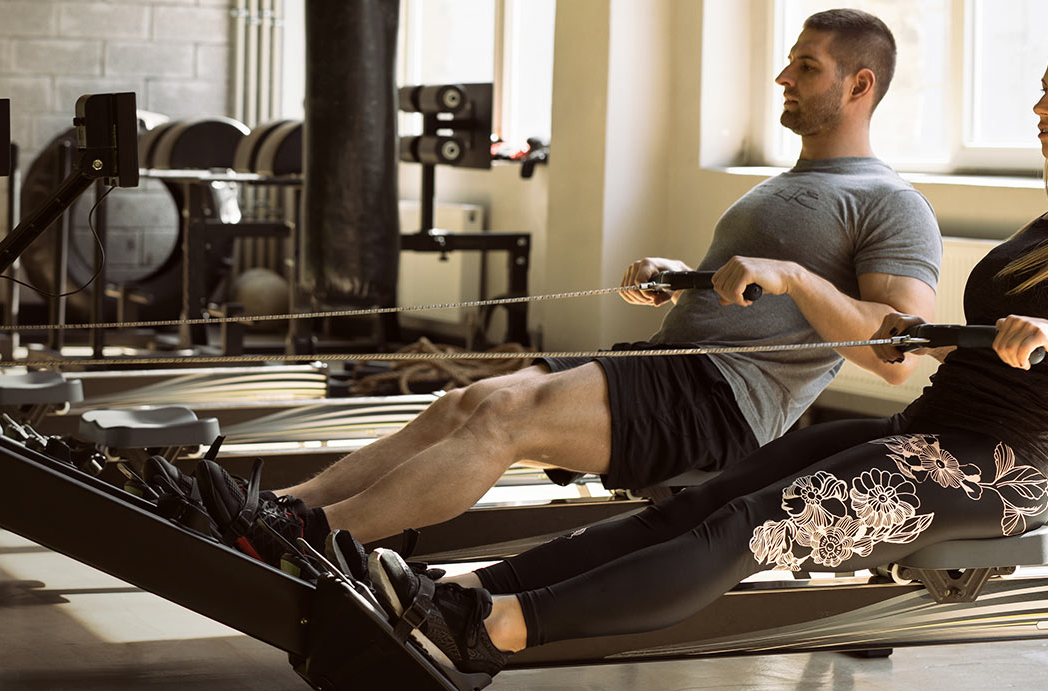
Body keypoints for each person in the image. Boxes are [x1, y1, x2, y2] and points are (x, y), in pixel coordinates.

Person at [365, 24, 1048, 679]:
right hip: (932, 433)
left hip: (999, 476)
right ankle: (466, 586)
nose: (1038, 107)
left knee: (744, 529)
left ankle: (494, 629)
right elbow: (917, 346)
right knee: (699, 503)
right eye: (1042, 88)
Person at [223, 9, 944, 556]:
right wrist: (681, 280)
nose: (784, 79)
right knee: (464, 403)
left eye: (806, 68)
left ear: (860, 84)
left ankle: (304, 538)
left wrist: (791, 277)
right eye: (788, 63)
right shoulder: (784, 185)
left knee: (502, 420)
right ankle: (279, 506)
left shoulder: (890, 203)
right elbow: (749, 294)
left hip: (725, 405)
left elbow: (900, 356)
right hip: (669, 366)